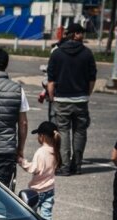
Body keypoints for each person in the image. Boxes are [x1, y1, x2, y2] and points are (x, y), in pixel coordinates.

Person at [47, 22, 97, 176]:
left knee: (63, 131)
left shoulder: (57, 53)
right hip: (81, 99)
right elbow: (92, 79)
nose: (83, 35)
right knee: (80, 132)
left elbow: (51, 80)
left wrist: (52, 97)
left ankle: (66, 166)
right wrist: (86, 94)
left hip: (62, 99)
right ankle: (78, 165)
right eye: (81, 32)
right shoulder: (87, 53)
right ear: (75, 34)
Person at [0, 48, 28, 190]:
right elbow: (23, 123)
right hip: (6, 150)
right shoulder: (17, 89)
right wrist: (20, 149)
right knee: (2, 194)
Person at [19, 121, 61, 220]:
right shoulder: (55, 150)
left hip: (37, 191)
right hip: (50, 189)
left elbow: (34, 169)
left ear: (42, 136)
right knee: (46, 216)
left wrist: (22, 161)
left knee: (31, 215)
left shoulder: (41, 152)